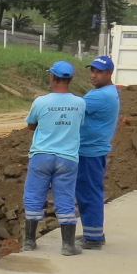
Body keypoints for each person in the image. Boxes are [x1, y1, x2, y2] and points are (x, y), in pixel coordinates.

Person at [23, 60, 85, 256]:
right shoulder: (80, 103)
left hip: (41, 156)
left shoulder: (41, 102)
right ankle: (67, 245)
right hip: (67, 158)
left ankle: (29, 242)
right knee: (65, 199)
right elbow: (78, 125)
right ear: (71, 79)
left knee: (34, 196)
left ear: (52, 77)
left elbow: (31, 125)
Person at [76, 56, 121, 250]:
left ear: (109, 73)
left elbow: (72, 110)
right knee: (90, 191)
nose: (93, 75)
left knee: (89, 193)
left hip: (89, 152)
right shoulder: (109, 91)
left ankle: (93, 238)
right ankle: (93, 233)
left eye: (98, 72)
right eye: (92, 71)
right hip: (94, 150)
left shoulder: (99, 96)